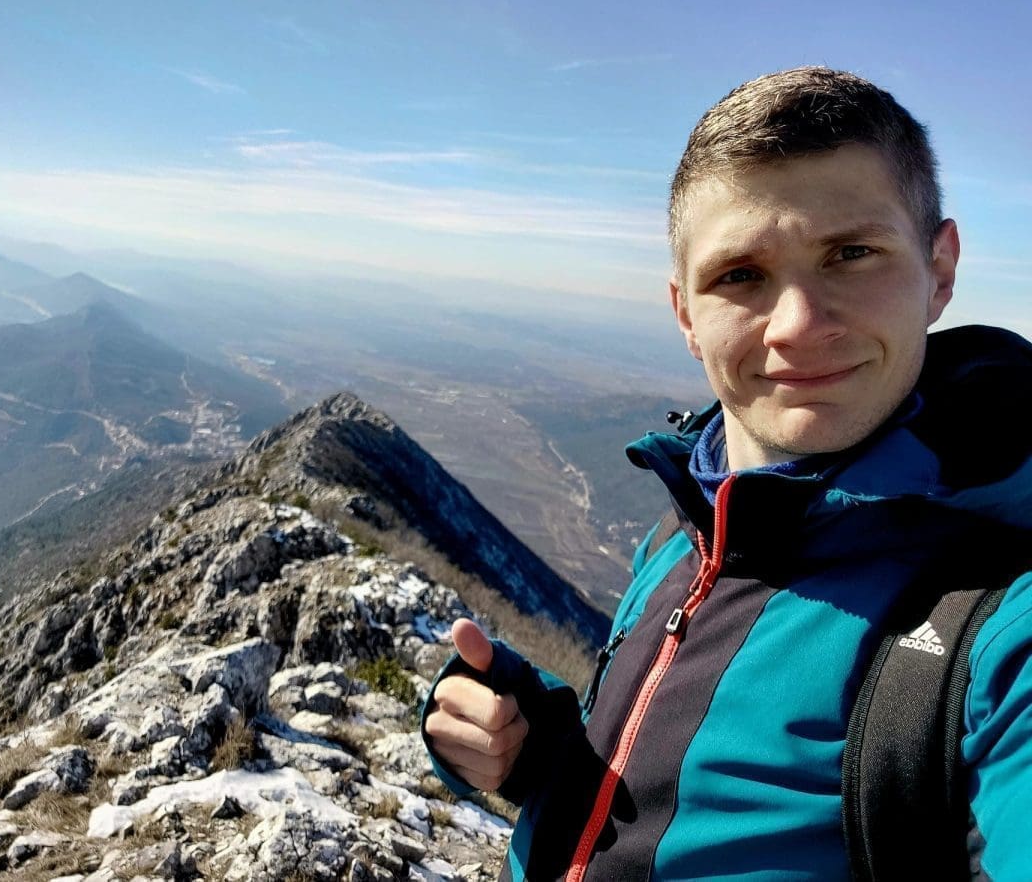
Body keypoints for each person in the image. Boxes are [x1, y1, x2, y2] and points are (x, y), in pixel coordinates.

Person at [421, 66, 1032, 880]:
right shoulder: (683, 536)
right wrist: (534, 748)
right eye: (741, 275)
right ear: (686, 312)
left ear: (940, 270)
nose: (798, 326)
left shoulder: (1004, 627)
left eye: (852, 253)